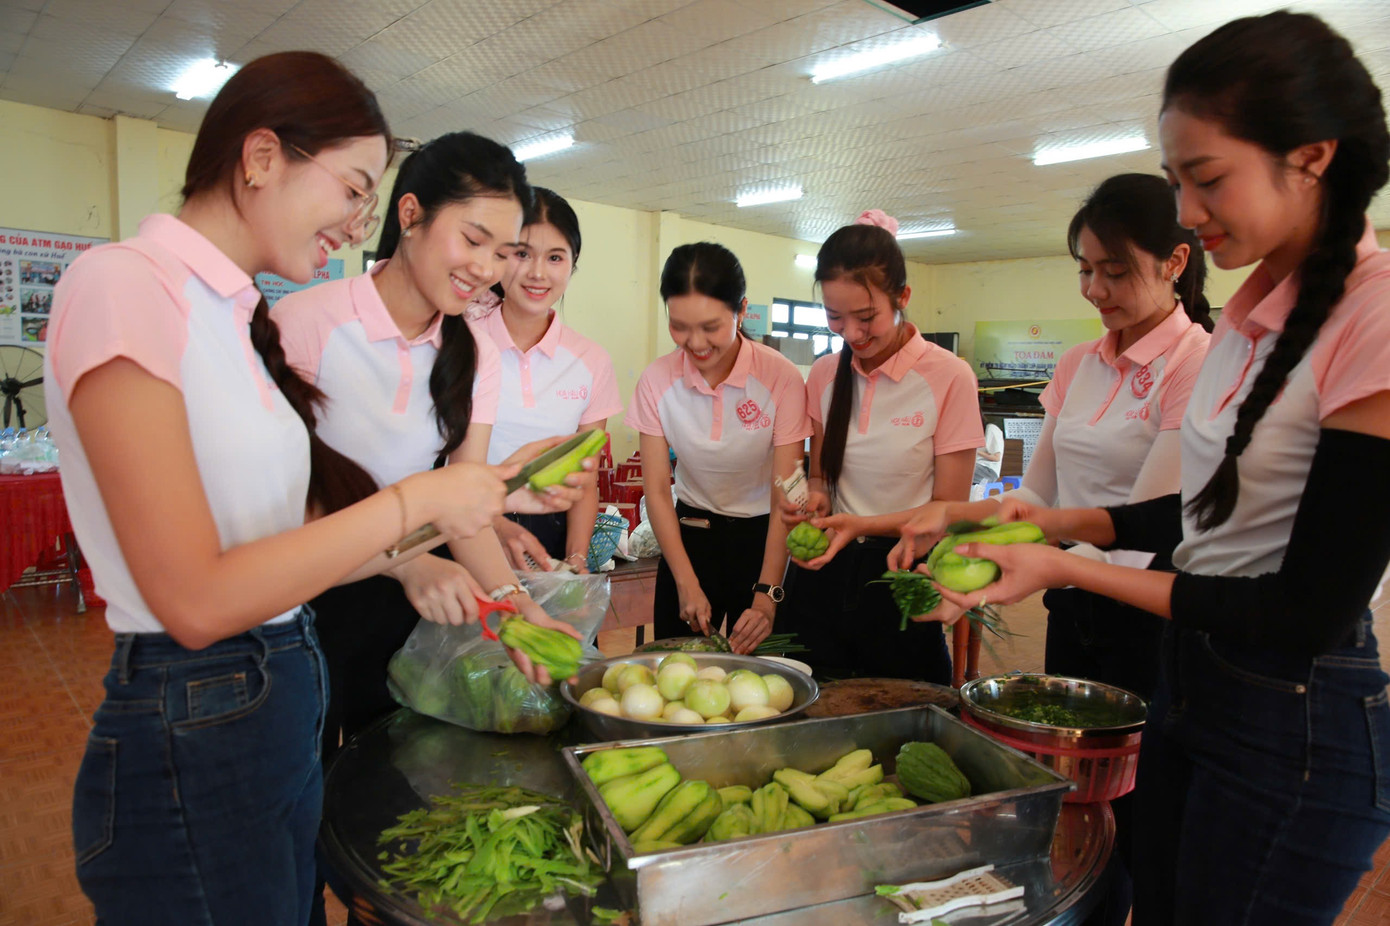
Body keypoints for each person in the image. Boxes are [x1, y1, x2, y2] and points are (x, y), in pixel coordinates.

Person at [900, 13, 1390, 923]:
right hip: (1194, 677)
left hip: (1295, 712)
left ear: (1313, 158)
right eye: (1176, 183)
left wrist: (1063, 566)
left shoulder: (1375, 315)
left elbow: (1307, 609)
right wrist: (1044, 526)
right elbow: (1192, 517)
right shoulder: (1249, 318)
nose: (1189, 211)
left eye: (1207, 178)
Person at [46, 53, 551, 926]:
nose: (357, 222)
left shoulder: (233, 316)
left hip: (277, 677)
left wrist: (499, 597)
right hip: (200, 695)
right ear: (261, 158)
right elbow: (197, 601)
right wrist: (418, 507)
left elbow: (289, 534)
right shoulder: (125, 284)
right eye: (352, 190)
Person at [273, 133, 591, 765]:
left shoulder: (475, 356)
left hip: (405, 603)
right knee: (302, 778)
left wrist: (513, 603)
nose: (487, 269)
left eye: (502, 252)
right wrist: (408, 564)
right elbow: (279, 508)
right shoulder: (305, 325)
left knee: (386, 777)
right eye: (473, 240)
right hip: (295, 597)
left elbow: (464, 508)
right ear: (411, 214)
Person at [779, 210, 984, 683]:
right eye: (834, 317)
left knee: (906, 704)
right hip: (823, 571)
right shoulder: (825, 375)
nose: (851, 333)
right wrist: (815, 495)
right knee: (810, 700)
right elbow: (820, 474)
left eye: (867, 317)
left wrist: (861, 525)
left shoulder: (949, 376)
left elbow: (949, 507)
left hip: (902, 569)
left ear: (902, 297)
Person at [626, 242, 810, 653]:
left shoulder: (779, 377)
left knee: (763, 672)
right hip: (690, 539)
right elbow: (657, 490)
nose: (695, 343)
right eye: (679, 326)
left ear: (741, 310)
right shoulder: (657, 380)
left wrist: (768, 593)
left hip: (765, 541)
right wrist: (685, 582)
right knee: (678, 667)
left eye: (710, 327)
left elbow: (788, 491)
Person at [467, 187, 623, 572]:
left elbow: (585, 478)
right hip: (467, 527)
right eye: (522, 254)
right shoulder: (461, 344)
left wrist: (576, 559)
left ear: (572, 265)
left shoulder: (591, 360)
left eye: (555, 257)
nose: (538, 273)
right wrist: (495, 524)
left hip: (552, 536)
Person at [972, 416, 1003, 485]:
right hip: (978, 468)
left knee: (958, 469)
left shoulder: (991, 428)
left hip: (988, 471)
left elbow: (996, 458)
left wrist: (975, 451)